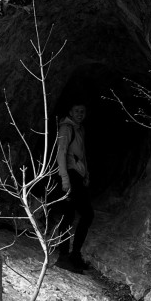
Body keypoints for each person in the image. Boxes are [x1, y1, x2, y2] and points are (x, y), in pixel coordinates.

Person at [53, 102, 94, 273]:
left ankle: (74, 255)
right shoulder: (66, 129)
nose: (80, 113)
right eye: (76, 110)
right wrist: (65, 179)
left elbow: (81, 154)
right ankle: (64, 257)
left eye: (82, 111)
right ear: (70, 111)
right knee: (71, 215)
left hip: (77, 175)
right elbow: (61, 154)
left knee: (79, 215)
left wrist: (86, 174)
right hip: (69, 175)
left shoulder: (79, 128)